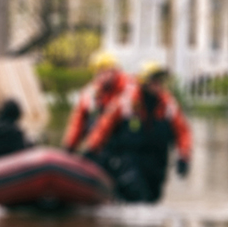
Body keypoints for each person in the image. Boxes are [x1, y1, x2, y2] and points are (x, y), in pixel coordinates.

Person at [79, 61, 192, 203]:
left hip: (157, 162)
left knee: (152, 199)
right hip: (129, 159)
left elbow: (183, 132)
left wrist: (184, 156)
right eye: (154, 80)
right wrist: (92, 148)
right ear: (144, 82)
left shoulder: (168, 105)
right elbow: (104, 126)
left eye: (160, 81)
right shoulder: (126, 102)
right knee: (135, 193)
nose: (158, 84)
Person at [62, 51, 137, 154]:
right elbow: (77, 120)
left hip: (123, 146)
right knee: (91, 116)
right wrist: (69, 147)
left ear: (115, 71)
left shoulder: (128, 88)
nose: (102, 75)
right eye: (99, 71)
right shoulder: (91, 91)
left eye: (106, 71)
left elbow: (110, 117)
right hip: (100, 146)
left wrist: (91, 147)